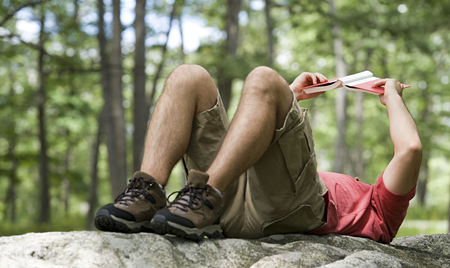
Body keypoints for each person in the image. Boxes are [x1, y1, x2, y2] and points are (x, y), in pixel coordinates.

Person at [94, 65, 422, 243]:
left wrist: (391, 94)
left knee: (264, 78)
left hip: (286, 213)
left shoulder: (381, 211)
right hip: (231, 201)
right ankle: (147, 191)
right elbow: (267, 160)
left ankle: (205, 193)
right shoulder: (356, 193)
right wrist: (288, 98)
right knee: (189, 77)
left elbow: (410, 149)